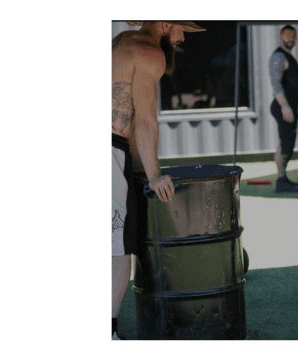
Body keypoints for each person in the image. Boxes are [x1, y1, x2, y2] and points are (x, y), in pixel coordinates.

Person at [111, 21, 204, 340]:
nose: (180, 38)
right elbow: (144, 117)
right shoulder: (151, 53)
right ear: (164, 23)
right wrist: (153, 173)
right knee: (118, 247)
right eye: (180, 30)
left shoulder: (121, 41)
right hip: (108, 149)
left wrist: (135, 169)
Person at [269, 25, 298, 192]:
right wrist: (285, 107)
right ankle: (281, 181)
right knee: (286, 144)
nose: (290, 39)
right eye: (287, 35)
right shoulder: (278, 57)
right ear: (280, 37)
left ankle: (283, 178)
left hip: (291, 106)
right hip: (283, 108)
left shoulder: (289, 57)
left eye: (293, 36)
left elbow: (293, 86)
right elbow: (276, 84)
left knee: (285, 143)